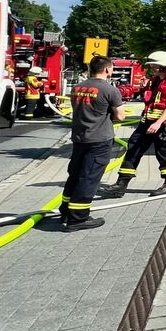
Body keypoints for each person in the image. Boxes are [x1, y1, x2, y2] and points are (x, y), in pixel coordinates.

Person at [61, 55, 126, 231]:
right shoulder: (110, 90)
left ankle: (65, 210)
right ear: (107, 69)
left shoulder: (78, 87)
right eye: (112, 68)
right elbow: (120, 116)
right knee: (89, 178)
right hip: (99, 140)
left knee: (75, 175)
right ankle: (78, 218)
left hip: (79, 138)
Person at [107, 51, 166, 198]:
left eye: (154, 65)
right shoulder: (155, 80)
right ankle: (121, 184)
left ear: (163, 66)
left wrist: (159, 122)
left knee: (163, 153)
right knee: (133, 148)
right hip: (147, 122)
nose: (151, 67)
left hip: (163, 124)